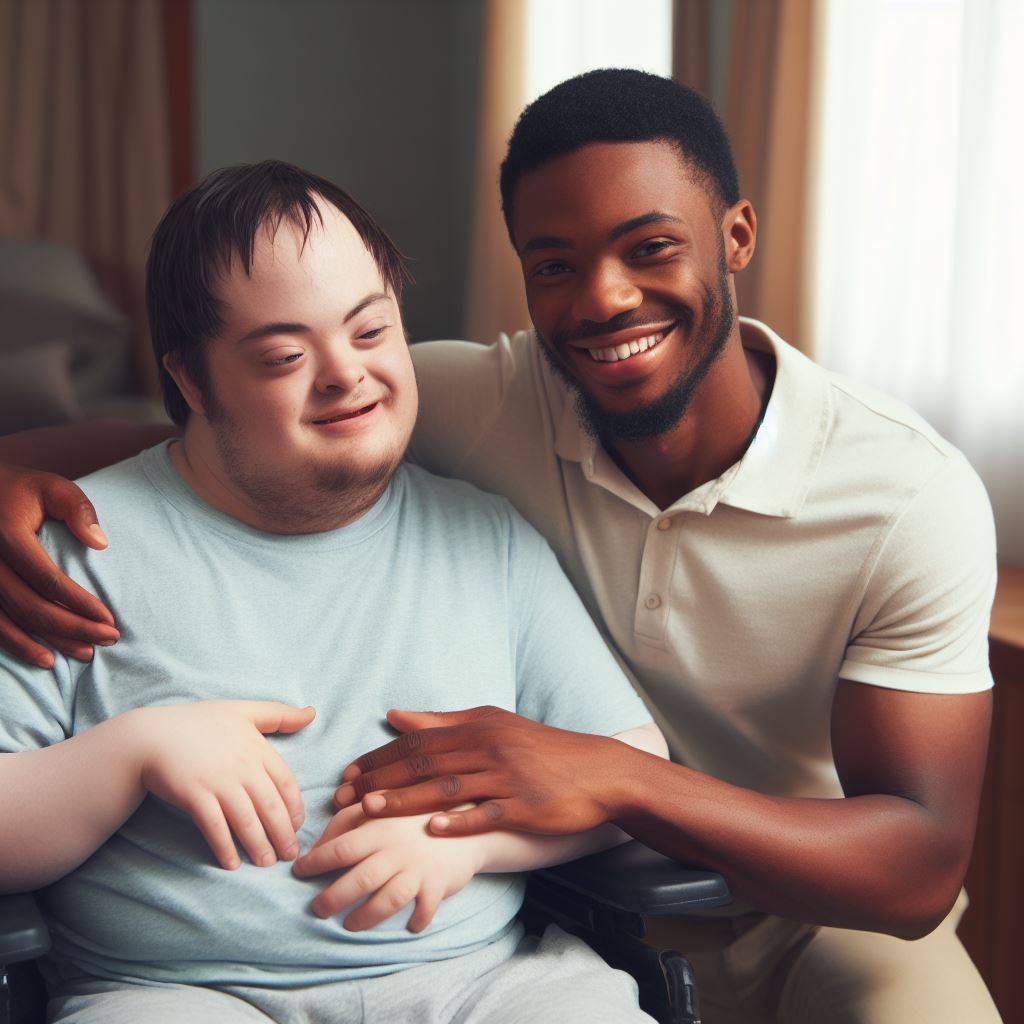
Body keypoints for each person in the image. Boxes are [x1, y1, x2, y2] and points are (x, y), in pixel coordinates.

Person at [0, 71, 1000, 1022]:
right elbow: (227, 445)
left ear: (736, 235)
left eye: (650, 247)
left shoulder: (904, 493)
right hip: (232, 977)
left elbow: (912, 866)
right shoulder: (466, 408)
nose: (603, 299)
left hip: (803, 906)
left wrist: (506, 825)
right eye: (554, 264)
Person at [0, 161, 666, 1024]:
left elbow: (631, 771)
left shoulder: (485, 538)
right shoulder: (78, 547)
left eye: (369, 331)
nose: (345, 376)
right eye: (284, 355)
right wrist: (131, 754)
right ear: (193, 382)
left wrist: (479, 846)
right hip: (179, 994)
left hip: (483, 984)